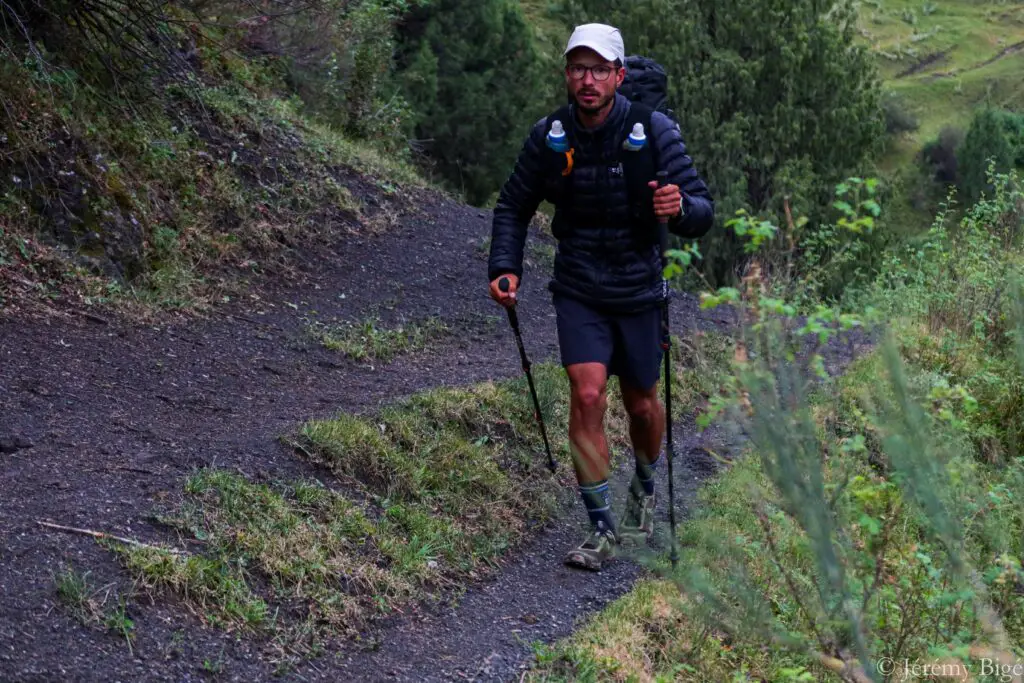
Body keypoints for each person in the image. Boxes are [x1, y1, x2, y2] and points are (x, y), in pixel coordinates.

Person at [487, 23, 715, 571]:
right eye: (576, 69)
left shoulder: (653, 130)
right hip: (579, 284)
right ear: (567, 75)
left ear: (617, 76)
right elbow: (513, 205)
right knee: (587, 396)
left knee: (641, 403)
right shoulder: (550, 135)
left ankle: (644, 484)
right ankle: (600, 527)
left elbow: (702, 213)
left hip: (639, 287)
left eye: (597, 70)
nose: (586, 80)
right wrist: (504, 266)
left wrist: (677, 208)